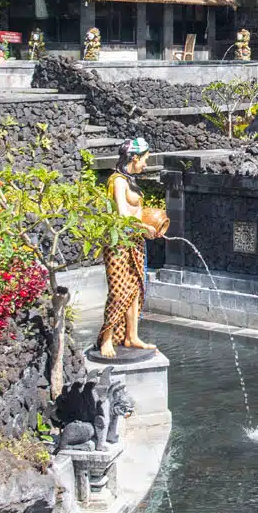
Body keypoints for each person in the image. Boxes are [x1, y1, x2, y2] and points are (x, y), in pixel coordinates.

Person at [99, 139, 166, 359]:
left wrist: (152, 225)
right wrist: (143, 225)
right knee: (119, 289)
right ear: (134, 158)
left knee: (136, 287)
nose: (146, 164)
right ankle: (107, 338)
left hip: (135, 239)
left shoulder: (130, 180)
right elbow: (121, 214)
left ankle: (132, 336)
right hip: (118, 240)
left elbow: (136, 210)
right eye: (145, 159)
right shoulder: (117, 180)